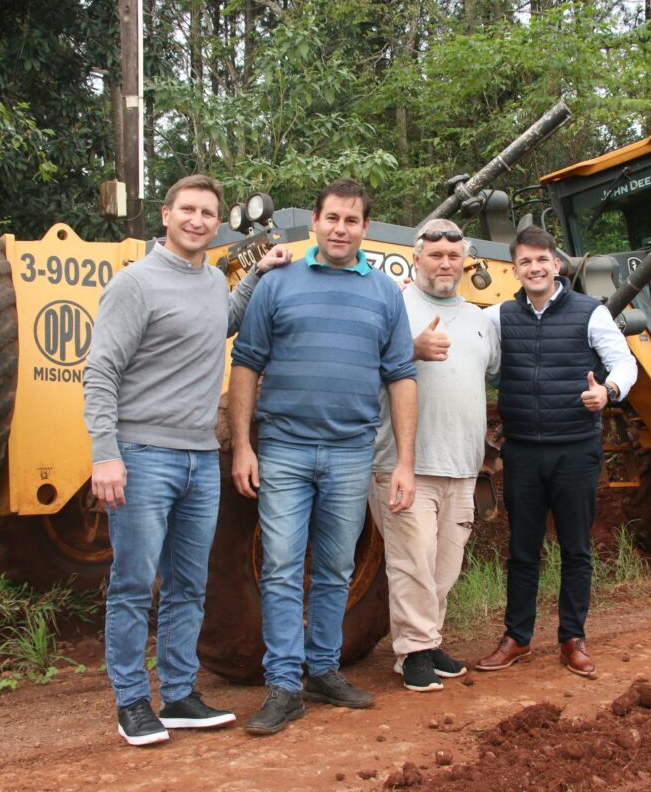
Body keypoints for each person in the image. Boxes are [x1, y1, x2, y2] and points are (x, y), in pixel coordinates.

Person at [84, 173, 290, 747]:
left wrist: (259, 273)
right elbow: (100, 371)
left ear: (217, 223)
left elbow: (220, 322)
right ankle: (132, 702)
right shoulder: (136, 283)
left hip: (201, 457)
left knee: (187, 585)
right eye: (189, 210)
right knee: (132, 584)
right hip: (143, 454)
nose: (199, 220)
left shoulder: (206, 282)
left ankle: (177, 694)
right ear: (167, 215)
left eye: (208, 213)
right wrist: (106, 455)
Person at [229, 178, 418, 735]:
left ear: (365, 228)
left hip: (352, 452)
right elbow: (246, 363)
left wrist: (404, 461)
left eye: (352, 220)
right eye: (332, 218)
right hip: (284, 449)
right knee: (284, 568)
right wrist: (243, 445)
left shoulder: (385, 293)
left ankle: (324, 670)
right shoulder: (277, 282)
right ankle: (284, 686)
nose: (340, 229)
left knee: (335, 568)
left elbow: (402, 376)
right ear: (315, 221)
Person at [474, 225, 637, 677]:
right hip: (523, 450)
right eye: (525, 262)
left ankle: (572, 638)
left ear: (557, 265)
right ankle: (517, 638)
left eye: (541, 260)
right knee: (522, 550)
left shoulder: (591, 313)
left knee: (576, 549)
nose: (534, 268)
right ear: (515, 269)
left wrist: (608, 391)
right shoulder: (499, 316)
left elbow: (625, 361)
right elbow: (461, 325)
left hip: (576, 451)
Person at [368, 219, 501, 693]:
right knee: (411, 563)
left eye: (453, 255)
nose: (445, 263)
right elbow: (363, 364)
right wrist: (411, 348)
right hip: (404, 463)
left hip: (462, 465)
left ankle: (426, 640)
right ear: (416, 258)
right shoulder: (394, 306)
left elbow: (491, 375)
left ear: (463, 260)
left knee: (443, 567)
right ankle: (413, 653)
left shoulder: (482, 320)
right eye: (435, 254)